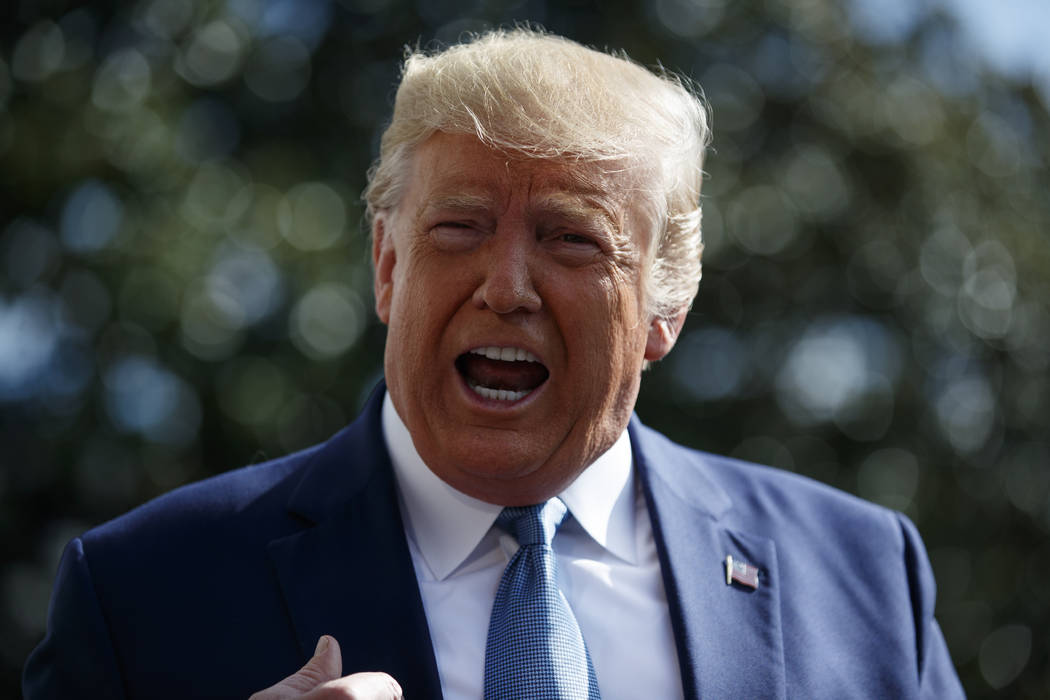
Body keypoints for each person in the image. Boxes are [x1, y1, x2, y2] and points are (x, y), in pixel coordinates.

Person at [24, 29, 965, 699]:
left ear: (665, 308)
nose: (506, 286)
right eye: (459, 228)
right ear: (389, 268)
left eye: (571, 239)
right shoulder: (143, 594)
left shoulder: (863, 576)